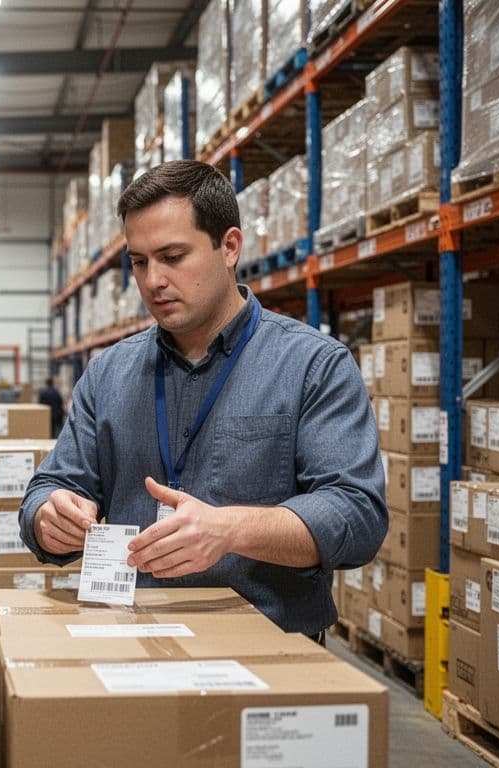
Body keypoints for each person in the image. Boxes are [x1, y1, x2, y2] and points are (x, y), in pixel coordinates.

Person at [19, 160, 385, 637]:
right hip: (130, 640)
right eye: (139, 261)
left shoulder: (313, 366)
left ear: (229, 246)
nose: (152, 281)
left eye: (173, 256)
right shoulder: (108, 374)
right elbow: (47, 488)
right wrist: (50, 516)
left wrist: (230, 530)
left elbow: (357, 514)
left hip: (270, 646)